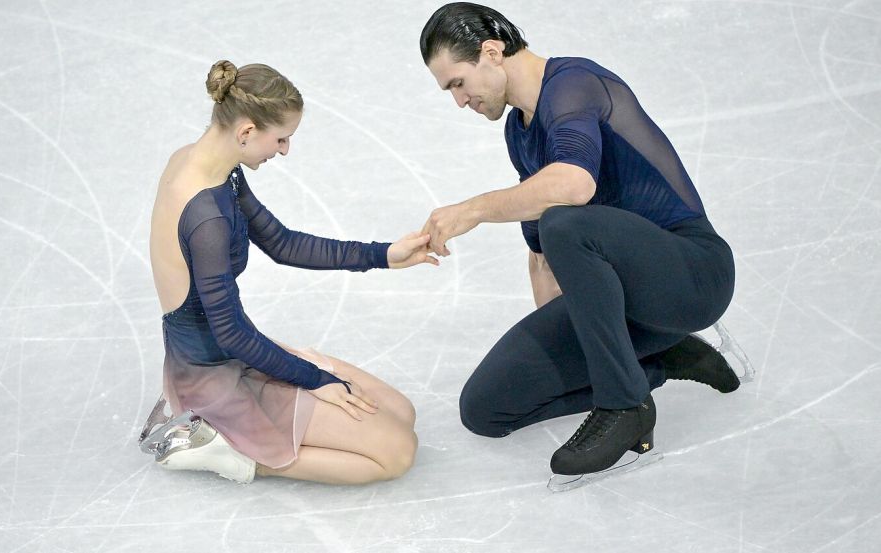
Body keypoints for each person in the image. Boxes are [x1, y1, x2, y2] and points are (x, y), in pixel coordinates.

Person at [418, 3, 741, 485]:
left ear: (491, 51)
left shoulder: (573, 85)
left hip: (692, 275)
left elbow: (573, 188)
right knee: (485, 409)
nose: (459, 101)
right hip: (626, 303)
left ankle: (625, 405)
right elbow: (542, 256)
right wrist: (571, 345)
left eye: (458, 83)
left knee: (566, 223)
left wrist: (473, 209)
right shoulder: (518, 131)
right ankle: (657, 361)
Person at [141, 59, 436, 485]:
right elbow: (231, 334)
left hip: (229, 350)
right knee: (397, 453)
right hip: (212, 374)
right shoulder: (205, 216)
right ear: (246, 132)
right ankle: (217, 445)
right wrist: (316, 380)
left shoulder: (207, 165)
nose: (283, 150)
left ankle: (235, 433)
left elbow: (281, 242)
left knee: (401, 413)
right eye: (280, 138)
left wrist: (384, 254)